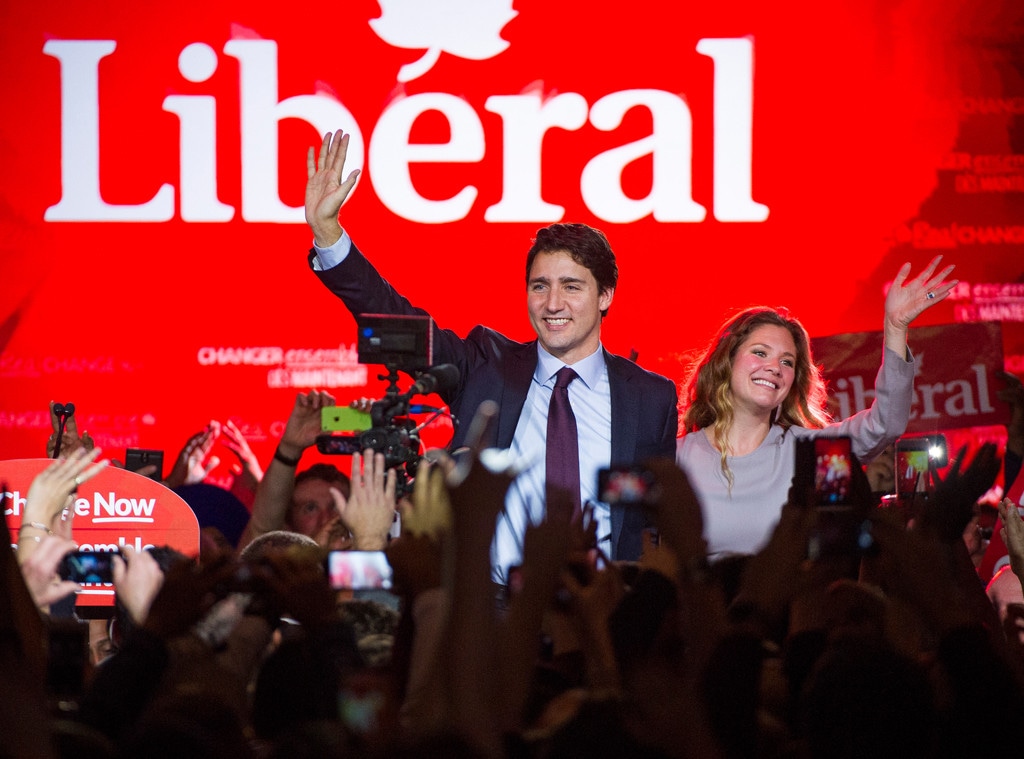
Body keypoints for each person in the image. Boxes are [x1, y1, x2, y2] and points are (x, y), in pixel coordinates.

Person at [304, 129, 679, 581]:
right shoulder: (486, 366)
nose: (553, 303)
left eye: (572, 287)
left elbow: (654, 520)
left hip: (600, 610)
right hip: (492, 608)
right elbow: (393, 318)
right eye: (540, 287)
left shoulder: (650, 397)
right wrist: (329, 235)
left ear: (606, 295)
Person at [676, 256, 957, 556]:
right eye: (760, 353)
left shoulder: (810, 453)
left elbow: (885, 424)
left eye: (787, 362)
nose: (774, 367)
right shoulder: (678, 455)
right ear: (725, 361)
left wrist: (895, 327)